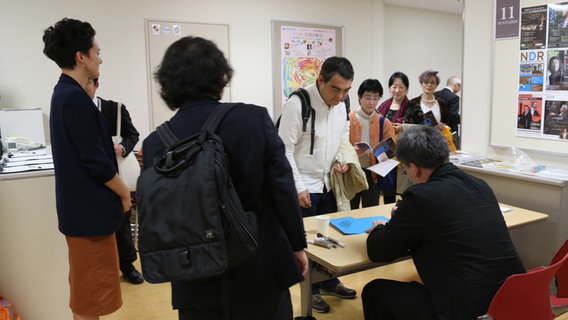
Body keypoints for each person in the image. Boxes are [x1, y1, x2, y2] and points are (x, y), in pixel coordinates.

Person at [141, 36, 308, 320]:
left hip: (193, 272)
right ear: (220, 75)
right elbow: (281, 187)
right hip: (258, 265)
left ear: (167, 83)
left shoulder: (156, 142)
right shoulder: (252, 119)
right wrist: (296, 245)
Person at [362, 125, 526, 320]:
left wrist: (380, 227)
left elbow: (379, 251)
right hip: (512, 298)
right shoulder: (479, 185)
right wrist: (407, 217)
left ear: (414, 168)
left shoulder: (420, 196)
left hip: (468, 309)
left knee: (375, 291)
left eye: (406, 170)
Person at [43, 18, 130, 320]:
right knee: (89, 300)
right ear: (81, 56)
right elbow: (97, 163)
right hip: (88, 218)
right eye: (97, 51)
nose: (100, 58)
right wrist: (125, 194)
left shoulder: (67, 94)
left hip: (83, 216)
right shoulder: (73, 99)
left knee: (87, 296)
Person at [278, 56, 357, 313]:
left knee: (329, 237)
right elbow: (284, 150)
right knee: (308, 243)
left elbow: (342, 136)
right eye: (335, 89)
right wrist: (299, 186)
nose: (340, 96)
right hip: (304, 185)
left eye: (346, 90)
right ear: (320, 79)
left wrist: (341, 160)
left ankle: (329, 282)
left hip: (328, 183)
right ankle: (310, 290)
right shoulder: (297, 104)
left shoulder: (342, 103)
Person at [84, 78, 143, 285]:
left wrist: (123, 148)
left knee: (122, 221)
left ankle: (128, 265)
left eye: (87, 85)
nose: (84, 89)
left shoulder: (114, 109)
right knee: (95, 225)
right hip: (90, 176)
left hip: (115, 173)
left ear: (96, 85)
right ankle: (103, 269)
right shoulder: (77, 112)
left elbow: (133, 134)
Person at [349, 79, 395, 208]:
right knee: (349, 210)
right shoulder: (349, 118)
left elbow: (391, 152)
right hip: (352, 172)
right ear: (359, 98)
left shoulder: (384, 122)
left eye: (375, 98)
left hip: (373, 173)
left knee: (371, 211)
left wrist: (381, 154)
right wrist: (353, 151)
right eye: (368, 98)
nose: (371, 102)